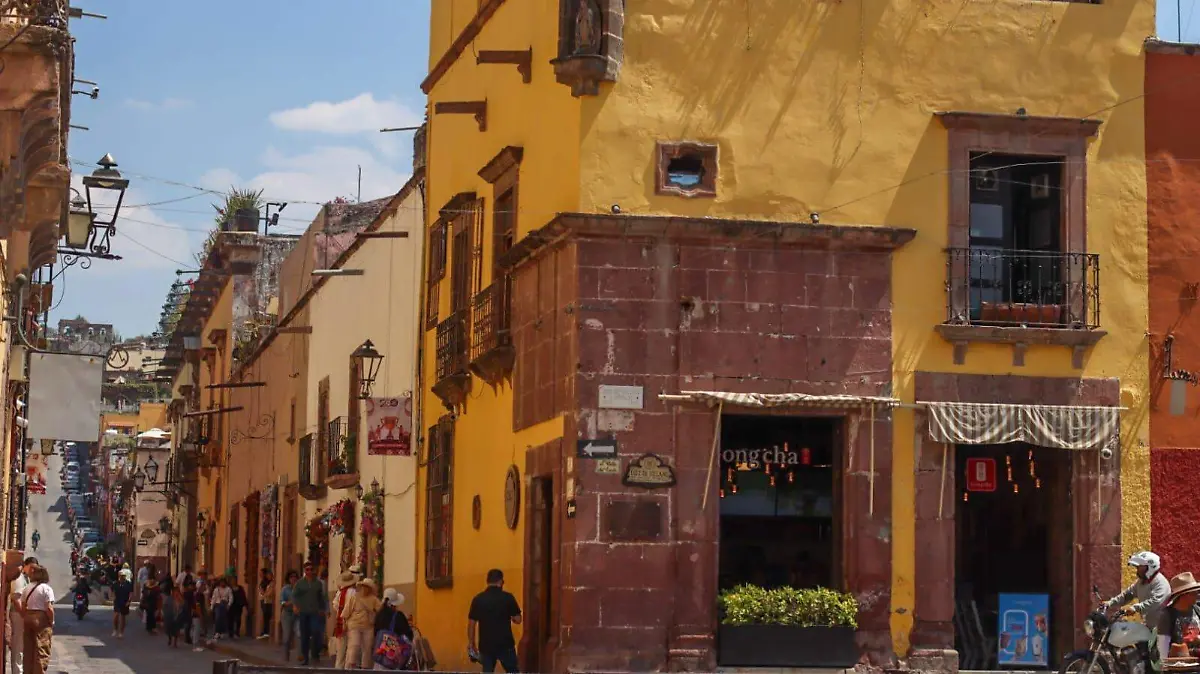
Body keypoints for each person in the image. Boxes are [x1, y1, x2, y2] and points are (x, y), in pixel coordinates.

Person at [1106, 551, 1172, 659]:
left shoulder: (1160, 583)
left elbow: (1155, 601)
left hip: (1161, 630)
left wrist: (1135, 608)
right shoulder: (1141, 582)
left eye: (1140, 567)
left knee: (1154, 662)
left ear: (1150, 567)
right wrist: (1110, 603)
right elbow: (1127, 595)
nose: (1137, 569)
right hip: (1148, 626)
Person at [468, 569, 522, 673]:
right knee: (512, 671)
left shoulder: (478, 599)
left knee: (487, 671)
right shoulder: (508, 598)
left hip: (486, 644)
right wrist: (511, 616)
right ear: (500, 581)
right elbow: (518, 619)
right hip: (505, 643)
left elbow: (471, 624)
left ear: (487, 581)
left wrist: (471, 643)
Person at [18, 564, 53, 674]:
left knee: (28, 649)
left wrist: (26, 616)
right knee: (41, 649)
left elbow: (23, 606)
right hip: (41, 618)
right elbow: (49, 608)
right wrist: (51, 621)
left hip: (28, 617)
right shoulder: (46, 589)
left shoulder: (27, 588)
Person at [291, 562, 328, 666]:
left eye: (311, 569)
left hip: (315, 612)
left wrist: (323, 609)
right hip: (303, 612)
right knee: (304, 635)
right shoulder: (300, 583)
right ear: (304, 571)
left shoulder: (318, 583)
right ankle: (305, 657)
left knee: (316, 631)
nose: (309, 571)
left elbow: (322, 597)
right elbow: (294, 595)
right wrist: (295, 605)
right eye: (307, 569)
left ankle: (315, 654)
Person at [341, 578, 382, 669]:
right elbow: (346, 611)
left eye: (367, 587)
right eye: (364, 586)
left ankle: (365, 668)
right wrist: (344, 624)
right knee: (354, 645)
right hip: (354, 625)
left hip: (368, 626)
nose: (365, 589)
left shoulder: (374, 599)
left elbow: (381, 610)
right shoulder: (354, 597)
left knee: (367, 648)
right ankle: (350, 667)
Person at [8, 557, 36, 674]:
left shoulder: (26, 579)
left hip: (22, 615)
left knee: (22, 646)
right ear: (26, 565)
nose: (33, 571)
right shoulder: (19, 578)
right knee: (18, 646)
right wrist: (25, 616)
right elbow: (16, 599)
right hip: (18, 615)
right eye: (32, 568)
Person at [1164, 572, 1200, 657]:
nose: (1197, 595)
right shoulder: (1167, 616)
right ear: (1184, 595)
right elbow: (1163, 650)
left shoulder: (1197, 610)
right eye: (1194, 592)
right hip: (1180, 666)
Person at [331, 569, 360, 668]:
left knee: (340, 651)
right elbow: (353, 606)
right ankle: (348, 669)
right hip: (351, 622)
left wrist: (340, 613)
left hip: (340, 622)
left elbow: (335, 604)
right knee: (351, 649)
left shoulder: (340, 593)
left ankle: (338, 668)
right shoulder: (354, 592)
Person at [279, 570, 299, 661]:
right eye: (291, 577)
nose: (293, 578)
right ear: (288, 579)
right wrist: (291, 603)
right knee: (287, 637)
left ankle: (301, 656)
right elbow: (282, 602)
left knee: (299, 634)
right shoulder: (285, 589)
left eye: (295, 576)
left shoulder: (299, 589)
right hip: (287, 615)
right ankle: (286, 656)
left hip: (297, 615)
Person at [111, 569, 133, 638]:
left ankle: (121, 632)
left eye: (123, 576)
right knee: (116, 616)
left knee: (123, 617)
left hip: (125, 602)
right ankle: (115, 630)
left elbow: (131, 593)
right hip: (117, 601)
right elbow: (113, 591)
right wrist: (113, 598)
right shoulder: (116, 583)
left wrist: (129, 601)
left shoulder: (128, 584)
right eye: (120, 575)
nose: (121, 577)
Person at [209, 577, 232, 641]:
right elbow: (214, 598)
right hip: (218, 604)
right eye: (221, 582)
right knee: (218, 618)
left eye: (223, 582)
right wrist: (211, 606)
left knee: (223, 619)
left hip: (224, 605)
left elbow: (230, 597)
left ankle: (222, 632)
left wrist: (229, 605)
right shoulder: (216, 589)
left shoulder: (228, 589)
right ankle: (217, 632)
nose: (222, 583)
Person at [258, 568, 275, 640]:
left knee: (267, 616)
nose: (260, 575)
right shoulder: (264, 582)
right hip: (263, 600)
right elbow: (261, 590)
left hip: (268, 601)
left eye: (261, 573)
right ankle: (264, 631)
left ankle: (266, 632)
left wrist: (264, 594)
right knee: (265, 616)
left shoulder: (271, 583)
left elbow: (269, 592)